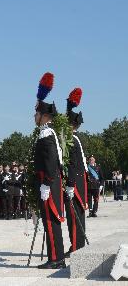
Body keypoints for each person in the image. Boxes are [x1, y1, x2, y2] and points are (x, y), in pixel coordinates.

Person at [33, 72, 65, 269]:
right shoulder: (48, 132)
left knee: (51, 221)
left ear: (44, 116)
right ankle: (57, 256)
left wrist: (46, 183)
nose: (34, 117)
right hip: (50, 183)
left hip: (48, 183)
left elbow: (51, 160)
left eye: (36, 114)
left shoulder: (46, 134)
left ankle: (55, 259)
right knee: (50, 221)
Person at [64, 88, 88, 257]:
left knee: (75, 216)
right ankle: (76, 244)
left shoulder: (72, 139)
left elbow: (73, 164)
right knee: (75, 216)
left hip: (75, 182)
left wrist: (70, 184)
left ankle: (76, 247)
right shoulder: (74, 137)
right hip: (78, 181)